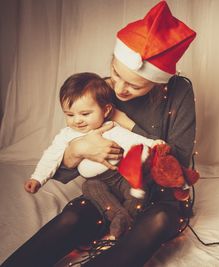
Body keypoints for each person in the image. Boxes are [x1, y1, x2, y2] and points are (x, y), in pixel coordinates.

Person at [1, 1, 196, 267]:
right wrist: (79, 149)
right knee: (70, 218)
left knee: (155, 222)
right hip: (108, 193)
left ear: (157, 82)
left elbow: (179, 159)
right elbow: (62, 171)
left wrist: (125, 123)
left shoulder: (178, 92)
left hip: (158, 197)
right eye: (115, 73)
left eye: (135, 86)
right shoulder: (100, 92)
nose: (120, 89)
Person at [24, 72, 164, 239]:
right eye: (70, 115)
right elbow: (51, 156)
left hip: (120, 176)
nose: (77, 121)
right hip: (97, 181)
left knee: (138, 191)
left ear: (106, 110)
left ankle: (129, 215)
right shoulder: (66, 135)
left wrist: (153, 144)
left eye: (85, 114)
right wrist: (37, 178)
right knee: (90, 188)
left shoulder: (111, 128)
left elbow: (134, 140)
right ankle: (119, 217)